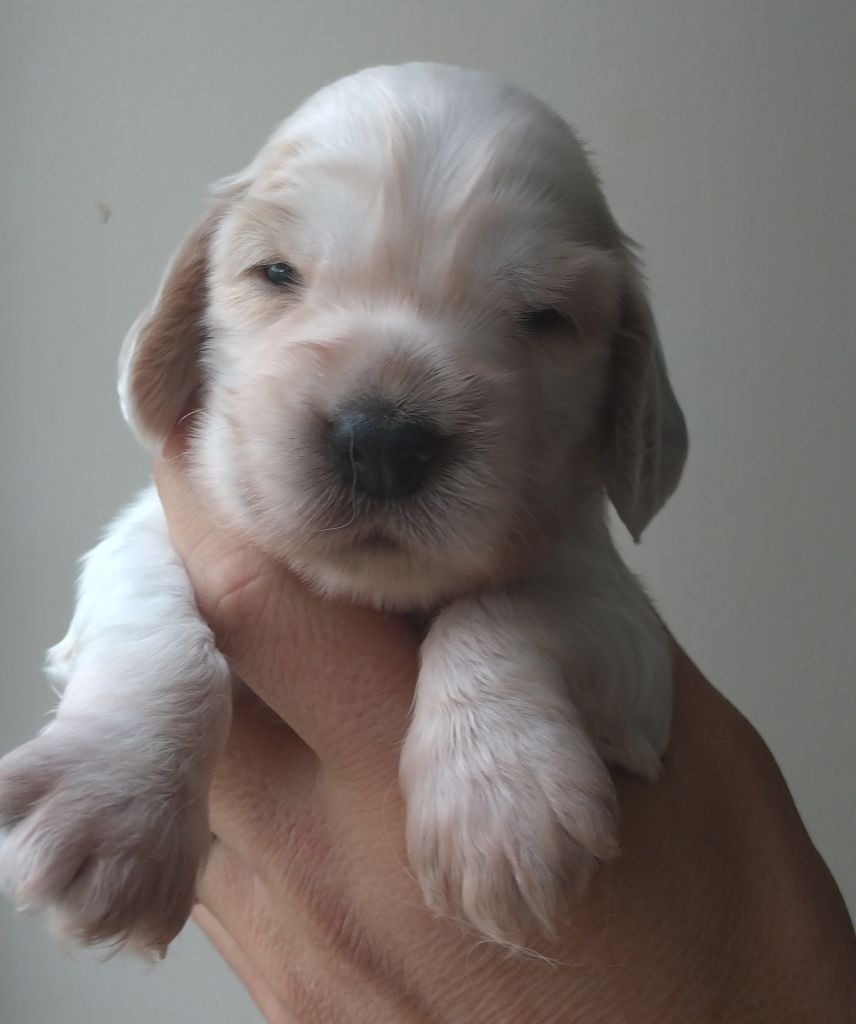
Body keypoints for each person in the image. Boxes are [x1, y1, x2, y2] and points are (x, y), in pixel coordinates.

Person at [155, 450, 856, 1024]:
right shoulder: (208, 500)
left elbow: (618, 639)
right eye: (280, 287)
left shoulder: (557, 555)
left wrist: (490, 678)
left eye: (536, 328)